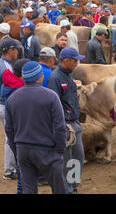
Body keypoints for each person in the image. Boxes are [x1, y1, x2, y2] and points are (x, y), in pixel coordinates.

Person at [5, 62, 67, 194]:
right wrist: (60, 150)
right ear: (40, 77)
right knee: (59, 188)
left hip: (23, 150)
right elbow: (60, 126)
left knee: (28, 189)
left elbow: (9, 129)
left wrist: (17, 149)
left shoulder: (12, 98)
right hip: (47, 150)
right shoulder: (51, 96)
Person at [47, 47, 86, 194]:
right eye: (74, 60)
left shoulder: (69, 75)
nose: (77, 63)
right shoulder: (55, 78)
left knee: (77, 157)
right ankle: (67, 189)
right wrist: (62, 126)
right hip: (66, 126)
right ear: (66, 61)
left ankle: (73, 186)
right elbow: (54, 106)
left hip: (74, 123)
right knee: (67, 160)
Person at [0, 38, 20, 180]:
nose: (18, 52)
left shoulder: (5, 64)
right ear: (10, 50)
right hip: (5, 104)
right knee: (10, 136)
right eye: (16, 49)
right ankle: (9, 170)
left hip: (4, 104)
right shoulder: (5, 67)